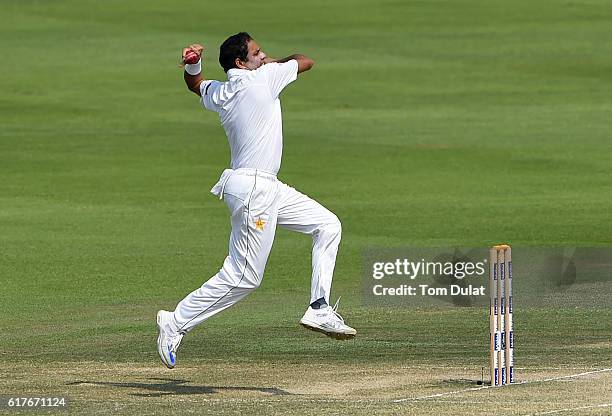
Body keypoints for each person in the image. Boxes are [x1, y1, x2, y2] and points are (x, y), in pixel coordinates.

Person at [156, 32, 356, 369]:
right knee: (244, 276)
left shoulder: (224, 90)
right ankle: (174, 321)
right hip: (253, 189)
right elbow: (305, 60)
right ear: (241, 63)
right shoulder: (262, 79)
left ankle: (319, 307)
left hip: (267, 186)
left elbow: (196, 85)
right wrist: (271, 63)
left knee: (327, 225)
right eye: (257, 52)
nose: (263, 56)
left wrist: (193, 65)